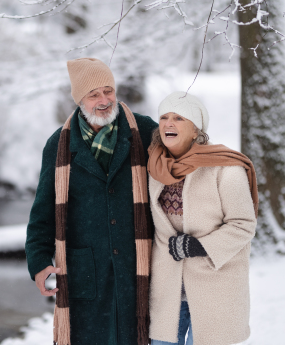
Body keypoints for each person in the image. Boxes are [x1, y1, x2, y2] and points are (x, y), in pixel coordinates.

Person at [25, 58, 158, 345]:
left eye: (108, 91)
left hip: (138, 269)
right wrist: (38, 262)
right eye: (93, 94)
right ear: (79, 100)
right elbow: (42, 214)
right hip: (85, 274)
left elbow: (178, 169)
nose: (104, 100)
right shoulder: (59, 146)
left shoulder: (145, 132)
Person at [147, 91, 258, 345]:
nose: (169, 123)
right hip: (168, 290)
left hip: (214, 288)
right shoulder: (155, 167)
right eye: (164, 117)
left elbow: (244, 224)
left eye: (178, 118)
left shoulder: (225, 168)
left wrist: (198, 246)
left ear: (197, 130)